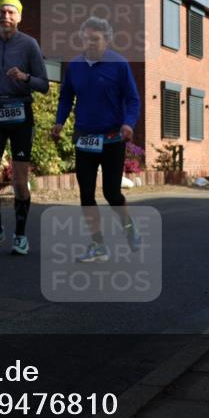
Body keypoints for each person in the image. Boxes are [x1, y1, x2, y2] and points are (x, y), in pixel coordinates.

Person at [52, 17, 141, 262]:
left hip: (112, 139)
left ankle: (128, 226)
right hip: (85, 139)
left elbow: (133, 100)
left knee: (112, 193)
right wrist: (60, 122)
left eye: (95, 39)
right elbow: (66, 98)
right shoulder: (75, 66)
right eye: (86, 38)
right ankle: (97, 244)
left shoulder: (119, 65)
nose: (90, 43)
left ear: (107, 39)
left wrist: (128, 123)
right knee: (86, 194)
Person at [0, 0, 50, 255]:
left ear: (19, 17)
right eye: (1, 12)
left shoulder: (29, 45)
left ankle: (20, 234)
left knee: (19, 180)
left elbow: (44, 84)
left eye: (11, 12)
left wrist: (24, 77)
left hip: (20, 111)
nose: (5, 16)